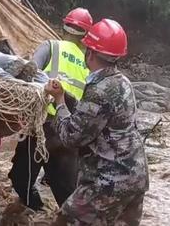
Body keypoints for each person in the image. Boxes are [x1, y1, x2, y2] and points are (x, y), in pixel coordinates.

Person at [44, 19, 149, 226]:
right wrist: (66, 97)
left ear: (89, 52)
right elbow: (98, 115)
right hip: (135, 177)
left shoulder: (99, 90)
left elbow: (70, 137)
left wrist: (58, 103)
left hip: (109, 182)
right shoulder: (122, 82)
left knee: (65, 220)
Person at [8, 8, 93, 210]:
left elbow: (28, 75)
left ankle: (36, 211)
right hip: (68, 135)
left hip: (40, 128)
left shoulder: (50, 47)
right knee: (67, 197)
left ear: (64, 27)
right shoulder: (88, 63)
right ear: (86, 37)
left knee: (21, 180)